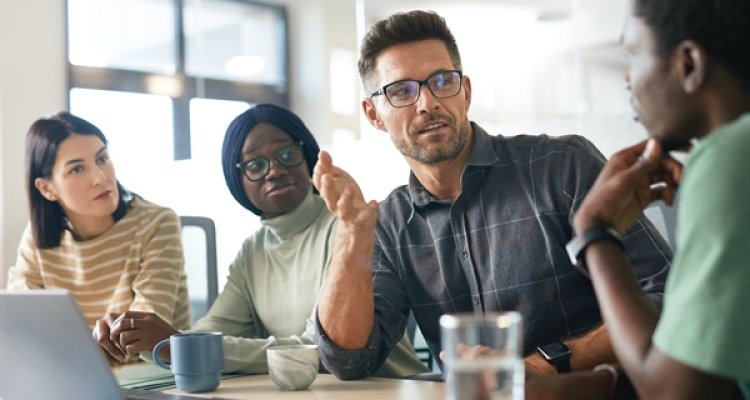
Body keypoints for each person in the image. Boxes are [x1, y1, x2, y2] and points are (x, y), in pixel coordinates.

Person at [312, 10, 673, 380]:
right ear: (373, 114)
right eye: (402, 91)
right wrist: (351, 234)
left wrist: (544, 365)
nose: (427, 103)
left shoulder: (561, 165)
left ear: (465, 92)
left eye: (441, 81)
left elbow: (669, 295)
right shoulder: (389, 223)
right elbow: (348, 361)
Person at [96, 104, 427, 377]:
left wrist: (179, 343)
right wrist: (142, 338)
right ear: (237, 180)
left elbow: (322, 350)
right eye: (255, 164)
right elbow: (213, 332)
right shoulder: (252, 251)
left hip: (387, 390)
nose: (273, 170)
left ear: (308, 157)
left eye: (286, 154)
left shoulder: (349, 229)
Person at [554, 0, 750, 398]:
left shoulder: (729, 157)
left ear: (689, 64)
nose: (627, 79)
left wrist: (594, 233)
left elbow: (674, 393)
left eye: (633, 55)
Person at [7, 111, 190, 363]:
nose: (101, 178)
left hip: (149, 380)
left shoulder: (156, 223)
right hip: (73, 378)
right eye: (77, 169)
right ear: (47, 188)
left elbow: (143, 338)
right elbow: (23, 328)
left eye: (102, 158)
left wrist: (64, 348)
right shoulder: (37, 238)